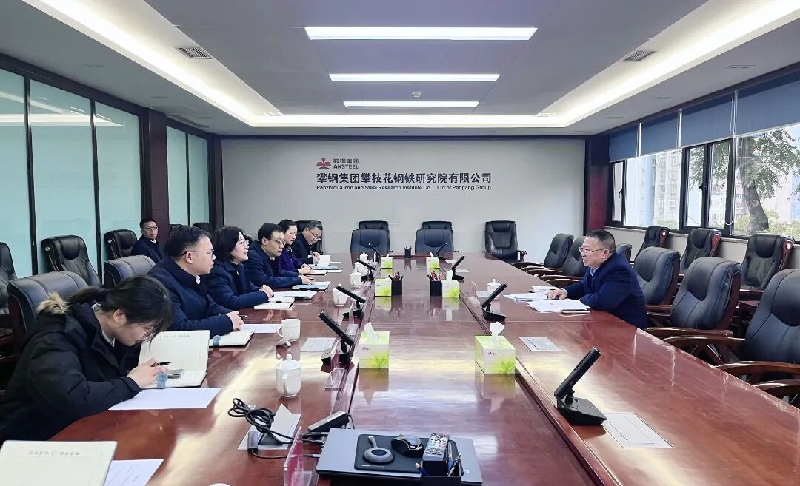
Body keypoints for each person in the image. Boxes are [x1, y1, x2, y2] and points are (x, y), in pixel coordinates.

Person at [0, 275, 173, 443]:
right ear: (119, 316)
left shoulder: (112, 333)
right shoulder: (55, 337)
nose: (146, 337)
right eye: (147, 329)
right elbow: (72, 398)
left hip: (84, 428)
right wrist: (131, 382)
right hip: (35, 441)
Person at [149, 225, 243, 335]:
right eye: (209, 253)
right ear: (189, 257)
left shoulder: (193, 274)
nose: (214, 257)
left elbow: (209, 306)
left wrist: (233, 315)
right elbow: (178, 329)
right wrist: (226, 322)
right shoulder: (161, 284)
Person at [546, 230, 647, 328]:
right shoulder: (596, 263)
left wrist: (578, 301)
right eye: (582, 249)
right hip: (603, 320)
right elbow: (584, 285)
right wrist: (565, 292)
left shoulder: (619, 270)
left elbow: (603, 301)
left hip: (625, 327)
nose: (582, 254)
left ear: (604, 253)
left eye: (587, 250)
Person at [203, 226, 273, 310]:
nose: (246, 246)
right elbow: (231, 302)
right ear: (228, 246)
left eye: (245, 242)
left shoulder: (239, 266)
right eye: (241, 243)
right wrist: (263, 294)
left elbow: (248, 288)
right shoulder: (216, 271)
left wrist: (260, 289)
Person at [245, 223, 314, 289]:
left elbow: (278, 273)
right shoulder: (253, 256)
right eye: (278, 242)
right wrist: (297, 280)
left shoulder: (270, 253)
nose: (282, 246)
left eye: (283, 242)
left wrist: (298, 276)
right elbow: (264, 281)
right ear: (264, 241)